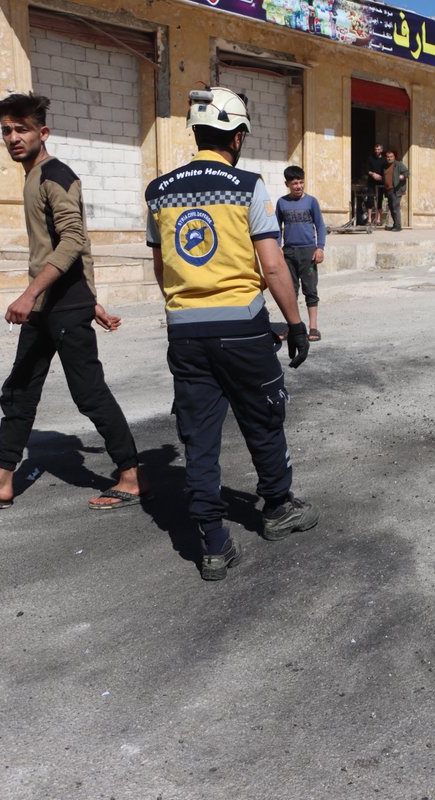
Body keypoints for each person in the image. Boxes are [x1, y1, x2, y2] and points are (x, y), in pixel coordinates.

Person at [144, 86, 319, 580]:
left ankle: (214, 543)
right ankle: (278, 508)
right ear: (237, 136)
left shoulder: (158, 190)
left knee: (198, 438)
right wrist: (296, 322)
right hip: (242, 329)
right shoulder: (247, 185)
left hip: (185, 333)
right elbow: (273, 266)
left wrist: (187, 303)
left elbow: (161, 268)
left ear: (196, 132)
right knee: (263, 418)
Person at [0, 92, 144, 513]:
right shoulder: (32, 175)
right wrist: (93, 300)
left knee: (89, 394)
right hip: (51, 306)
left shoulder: (57, 175)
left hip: (58, 306)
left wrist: (40, 293)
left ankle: (130, 477)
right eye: (7, 131)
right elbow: (74, 249)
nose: (13, 137)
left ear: (42, 132)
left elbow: (75, 240)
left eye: (22, 129)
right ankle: (0, 480)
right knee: (19, 391)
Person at [276, 165, 326, 342]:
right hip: (289, 252)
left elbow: (320, 226)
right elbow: (277, 229)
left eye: (301, 182)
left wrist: (320, 247)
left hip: (308, 252)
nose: (298, 186)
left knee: (310, 290)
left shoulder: (311, 201)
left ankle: (313, 328)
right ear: (287, 184)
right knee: (290, 291)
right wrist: (277, 249)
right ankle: (294, 327)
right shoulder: (281, 203)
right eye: (294, 183)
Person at [383, 148, 409, 232]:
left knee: (395, 207)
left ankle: (398, 226)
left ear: (394, 157)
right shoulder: (385, 166)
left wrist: (402, 176)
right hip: (389, 190)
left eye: (391, 156)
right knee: (391, 207)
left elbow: (407, 172)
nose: (389, 158)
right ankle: (395, 224)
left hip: (396, 190)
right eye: (388, 157)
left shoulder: (398, 164)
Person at [364, 143, 385, 227]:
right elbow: (366, 169)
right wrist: (373, 174)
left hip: (380, 182)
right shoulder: (370, 158)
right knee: (370, 199)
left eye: (378, 149)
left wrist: (381, 177)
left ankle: (379, 219)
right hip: (371, 182)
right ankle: (369, 219)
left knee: (380, 200)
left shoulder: (384, 160)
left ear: (381, 150)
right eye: (376, 149)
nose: (377, 151)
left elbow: (386, 171)